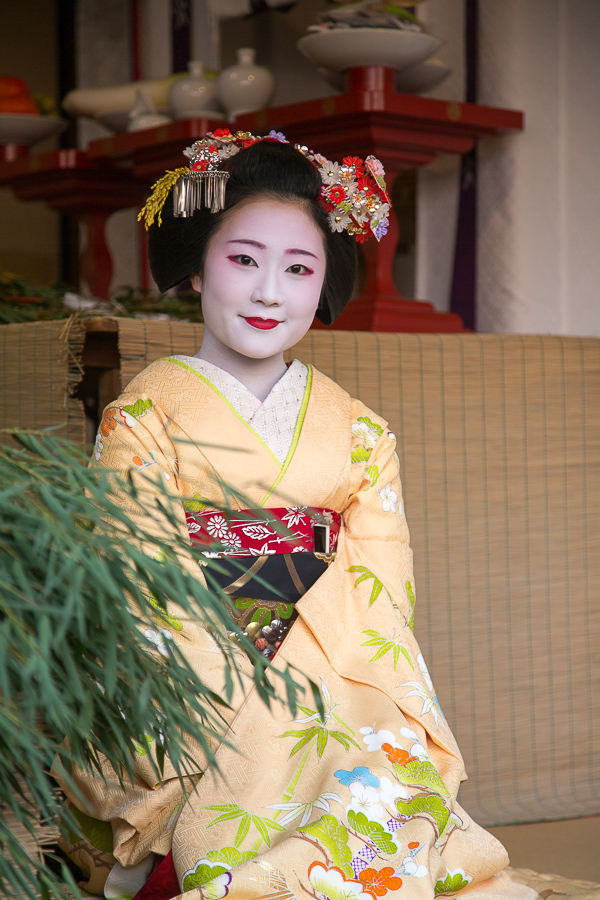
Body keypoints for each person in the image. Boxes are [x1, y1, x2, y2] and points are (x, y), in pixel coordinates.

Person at [56, 131, 536, 900]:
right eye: (243, 259)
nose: (268, 292)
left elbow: (382, 585)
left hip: (330, 669)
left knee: (371, 758)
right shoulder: (145, 411)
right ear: (196, 262)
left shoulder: (358, 430)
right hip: (186, 672)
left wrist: (304, 666)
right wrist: (244, 685)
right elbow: (129, 564)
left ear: (325, 283)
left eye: (298, 268)